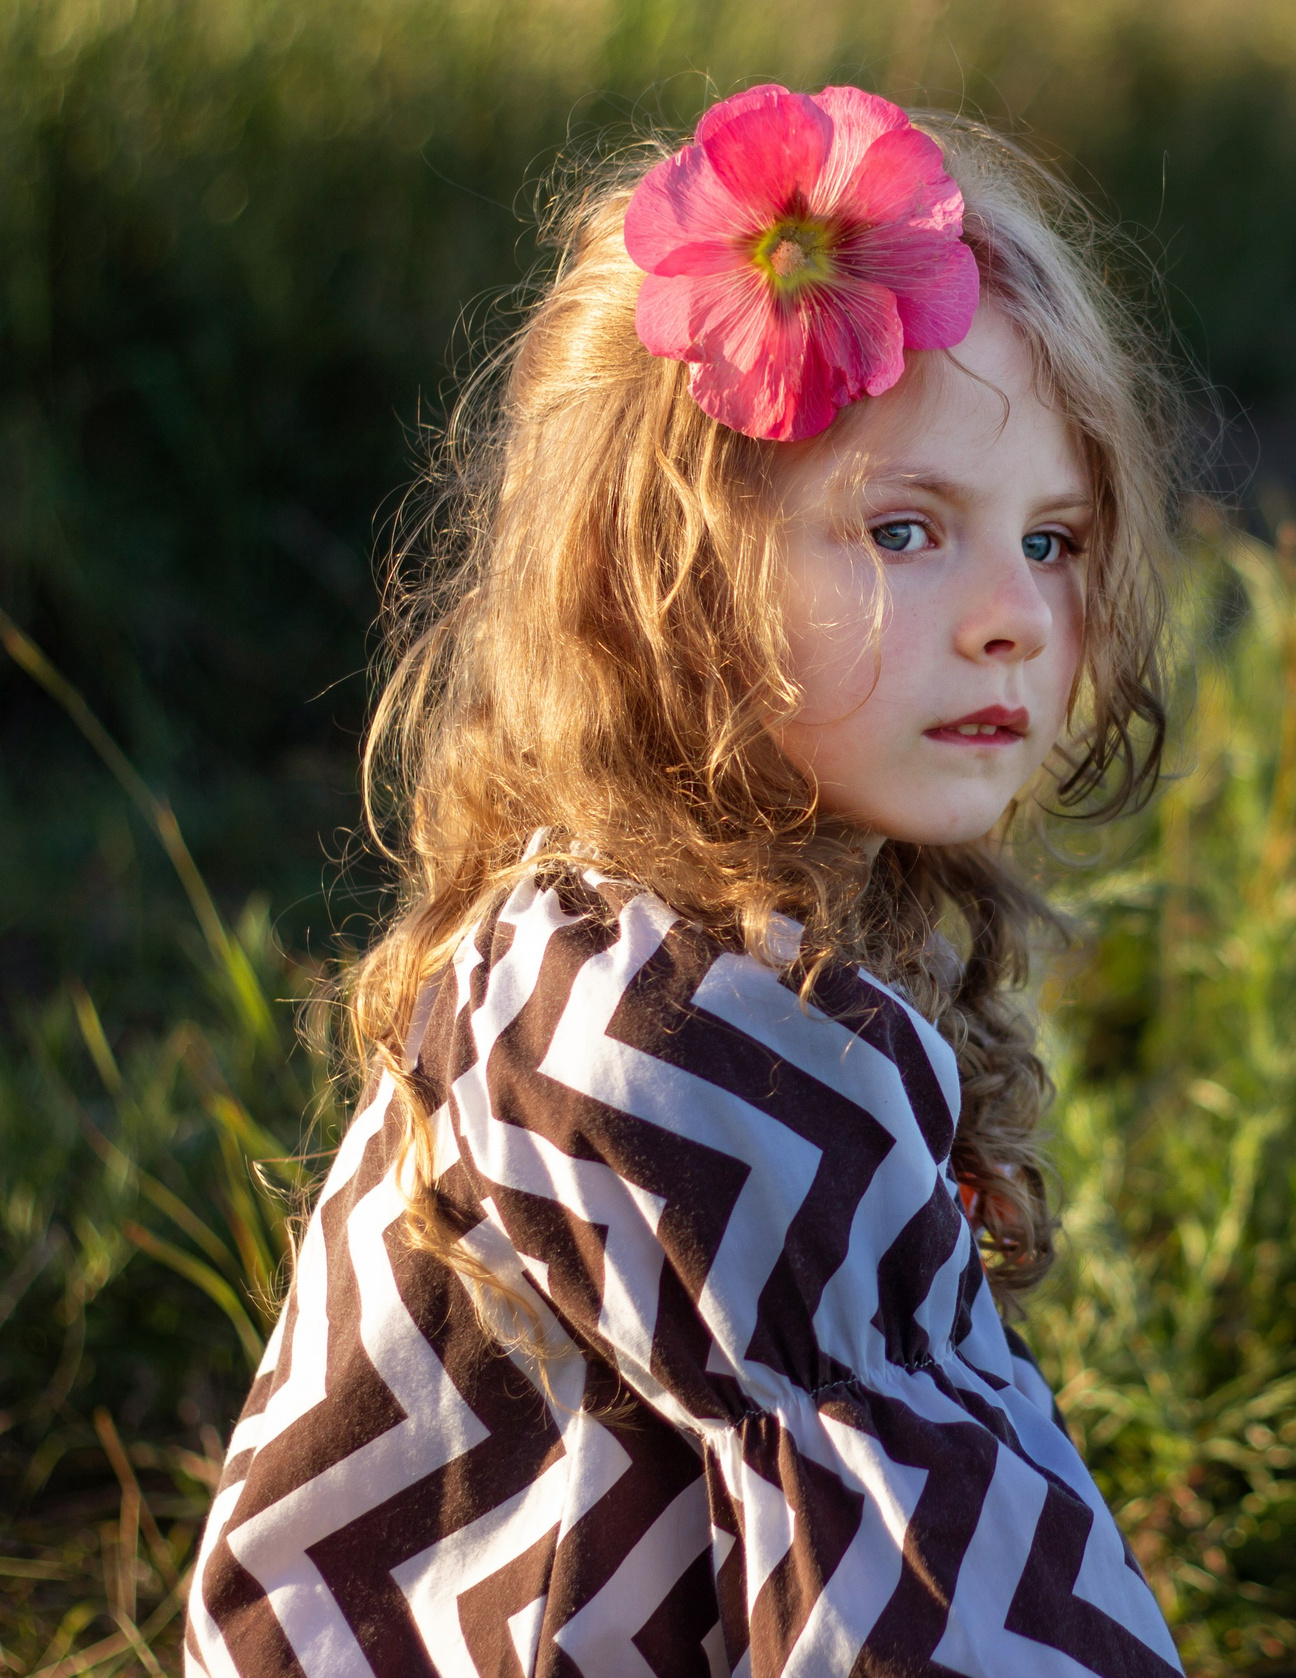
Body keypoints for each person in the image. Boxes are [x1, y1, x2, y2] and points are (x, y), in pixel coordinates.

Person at [183, 83, 1185, 1678]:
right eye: (906, 530)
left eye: (1053, 541)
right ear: (667, 576)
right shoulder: (664, 1022)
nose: (1011, 613)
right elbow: (929, 1591)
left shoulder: (694, 934)